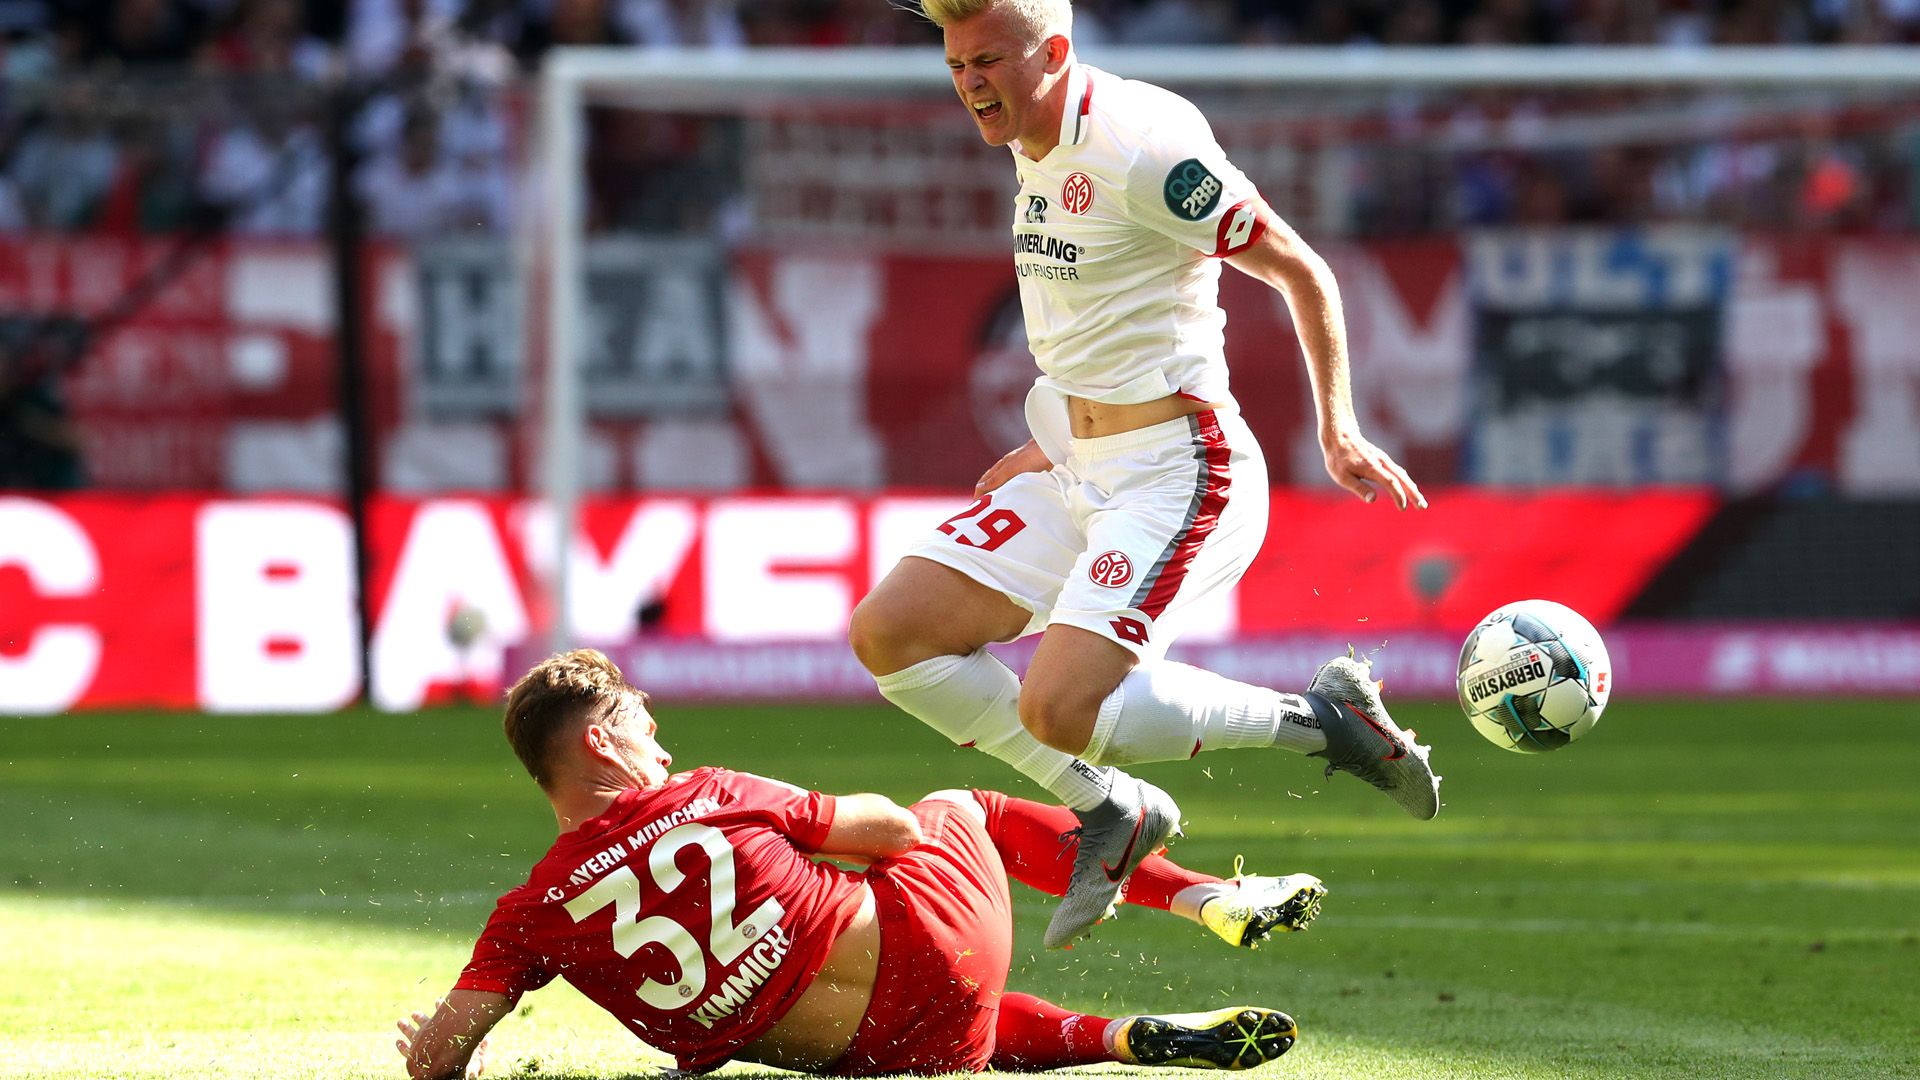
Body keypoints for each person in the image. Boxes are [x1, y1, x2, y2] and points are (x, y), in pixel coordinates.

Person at [846, 0, 1442, 951]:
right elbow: (1103, 318)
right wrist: (1054, 438)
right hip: (1081, 465)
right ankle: (1114, 810)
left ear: (1056, 52)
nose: (969, 83)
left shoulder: (1143, 147)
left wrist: (1339, 428)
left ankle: (1326, 721)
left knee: (1058, 705)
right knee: (892, 636)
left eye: (988, 61)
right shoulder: (1029, 130)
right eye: (956, 63)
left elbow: (1301, 270)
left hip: (1182, 472)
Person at [396, 649, 1319, 1080]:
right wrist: (816, 832)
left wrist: (454, 1064)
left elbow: (436, 1059)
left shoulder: (531, 914)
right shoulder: (708, 792)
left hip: (872, 1056)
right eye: (644, 727)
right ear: (600, 743)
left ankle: (1117, 1040)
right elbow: (893, 837)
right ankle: (1208, 899)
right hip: (938, 946)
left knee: (959, 1026)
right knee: (959, 808)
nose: (663, 744)